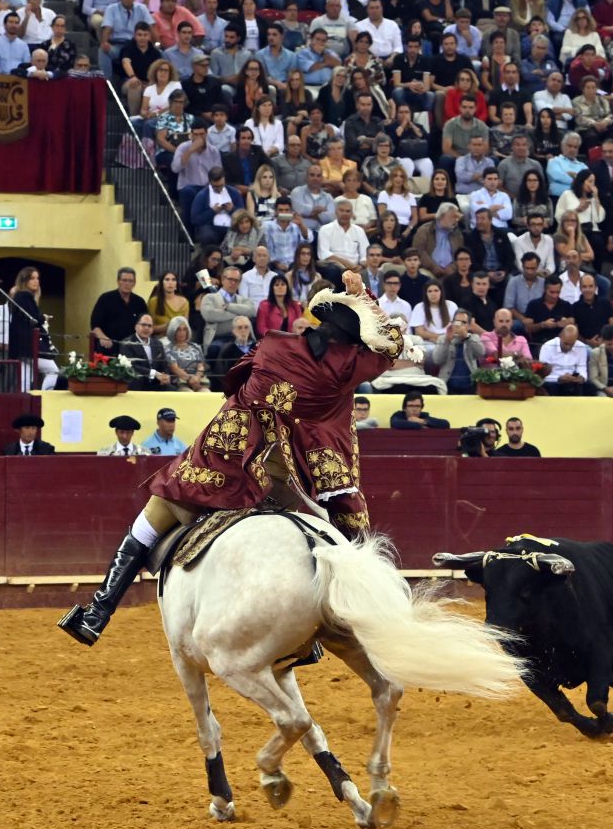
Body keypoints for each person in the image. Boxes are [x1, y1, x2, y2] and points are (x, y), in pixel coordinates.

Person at [59, 275, 408, 646]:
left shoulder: (275, 345)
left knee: (146, 525)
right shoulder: (351, 367)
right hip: (288, 477)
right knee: (341, 537)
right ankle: (372, 606)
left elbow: (235, 376)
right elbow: (392, 343)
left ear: (320, 320)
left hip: (223, 459)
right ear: (353, 340)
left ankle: (98, 613)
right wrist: (364, 296)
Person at [431, 312, 485, 395]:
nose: (459, 325)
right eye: (457, 322)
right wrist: (447, 341)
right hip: (447, 386)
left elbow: (481, 353)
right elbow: (437, 360)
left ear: (469, 326)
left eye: (463, 322)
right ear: (452, 323)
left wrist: (467, 337)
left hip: (470, 387)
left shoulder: (473, 338)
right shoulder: (443, 339)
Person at [119, 315, 173, 390]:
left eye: (149, 326)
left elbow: (164, 364)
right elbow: (132, 366)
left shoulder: (157, 344)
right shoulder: (127, 343)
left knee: (171, 389)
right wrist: (155, 373)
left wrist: (165, 376)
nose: (146, 328)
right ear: (136, 327)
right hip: (137, 382)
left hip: (156, 382)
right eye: (143, 325)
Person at [538, 323, 590, 395]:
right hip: (553, 382)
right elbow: (542, 374)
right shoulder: (547, 346)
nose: (568, 347)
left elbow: (582, 368)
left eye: (572, 344)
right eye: (565, 343)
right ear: (560, 336)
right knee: (552, 387)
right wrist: (558, 379)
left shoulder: (581, 347)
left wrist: (581, 378)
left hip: (572, 382)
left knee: (589, 387)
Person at [166, 316, 210, 391]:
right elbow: (175, 369)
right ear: (173, 331)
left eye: (184, 329)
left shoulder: (196, 347)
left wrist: (197, 378)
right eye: (178, 330)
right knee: (189, 394)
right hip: (180, 382)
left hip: (198, 381)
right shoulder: (168, 349)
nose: (182, 333)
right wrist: (190, 379)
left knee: (206, 393)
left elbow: (201, 366)